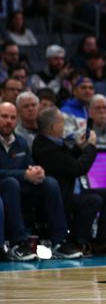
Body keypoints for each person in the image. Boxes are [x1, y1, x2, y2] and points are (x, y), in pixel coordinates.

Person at [32, 108, 106, 256]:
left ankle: (103, 242)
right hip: (62, 197)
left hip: (71, 191)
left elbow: (67, 162)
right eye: (62, 122)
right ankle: (77, 242)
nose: (64, 126)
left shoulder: (53, 142)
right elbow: (77, 168)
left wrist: (78, 148)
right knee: (92, 200)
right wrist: (91, 148)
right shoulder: (44, 147)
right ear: (53, 127)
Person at [0, 102, 83, 259]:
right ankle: (19, 243)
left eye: (12, 117)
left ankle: (59, 241)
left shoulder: (21, 142)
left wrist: (37, 171)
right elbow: (21, 173)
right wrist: (23, 174)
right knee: (11, 183)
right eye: (4, 116)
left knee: (49, 183)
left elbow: (29, 166)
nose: (8, 121)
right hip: (4, 190)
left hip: (20, 190)